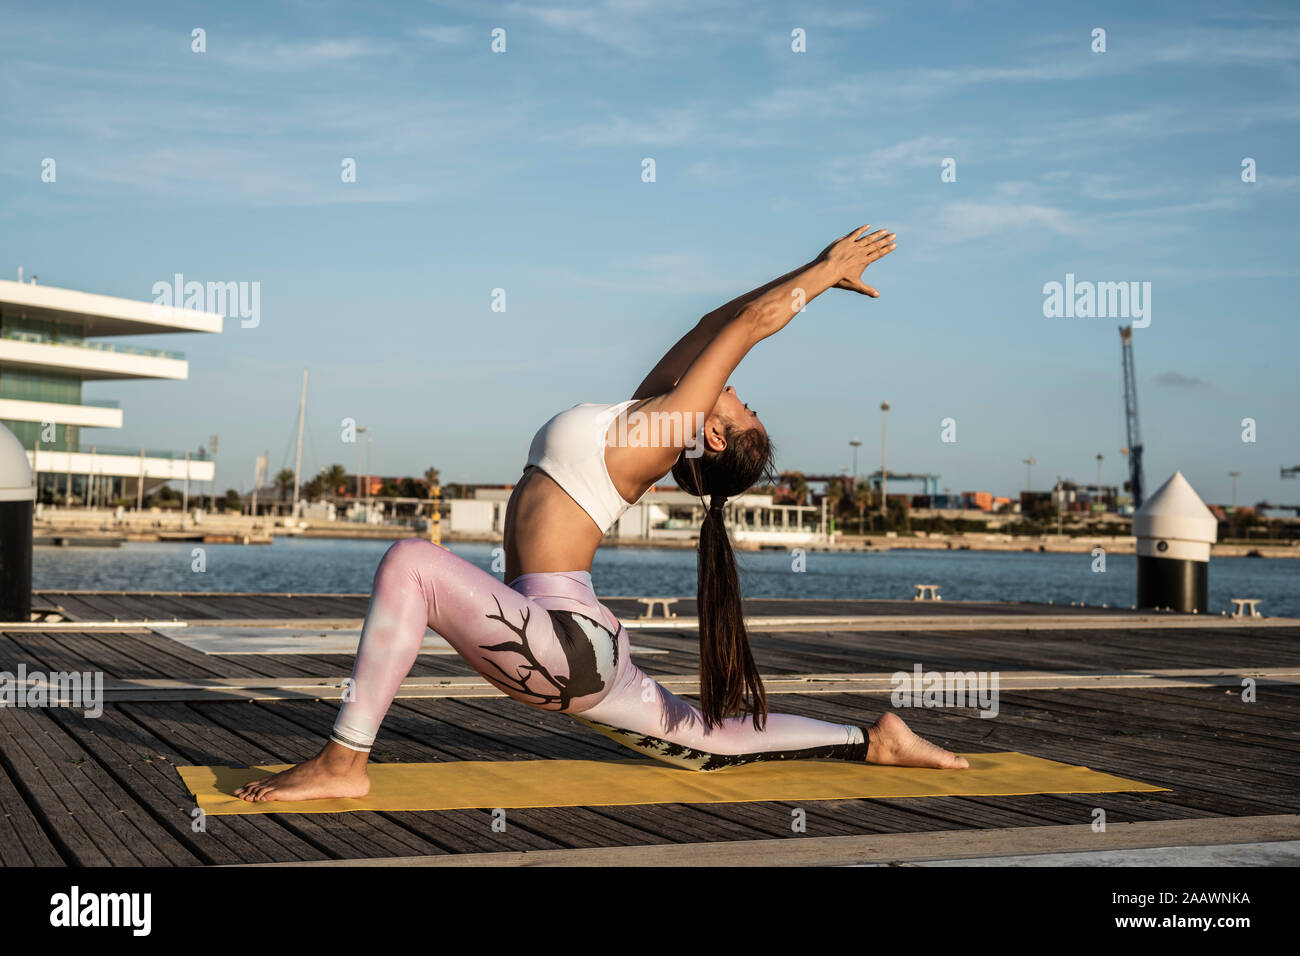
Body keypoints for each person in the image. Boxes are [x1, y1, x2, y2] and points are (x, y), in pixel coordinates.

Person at [235, 224, 967, 802]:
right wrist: (815, 264)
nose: (740, 392)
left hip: (564, 640)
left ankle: (342, 761)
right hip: (567, 637)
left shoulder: (665, 430)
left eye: (744, 407)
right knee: (708, 740)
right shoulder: (647, 413)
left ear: (711, 434)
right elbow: (722, 319)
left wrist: (823, 275)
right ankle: (870, 739)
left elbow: (747, 327)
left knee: (411, 564)